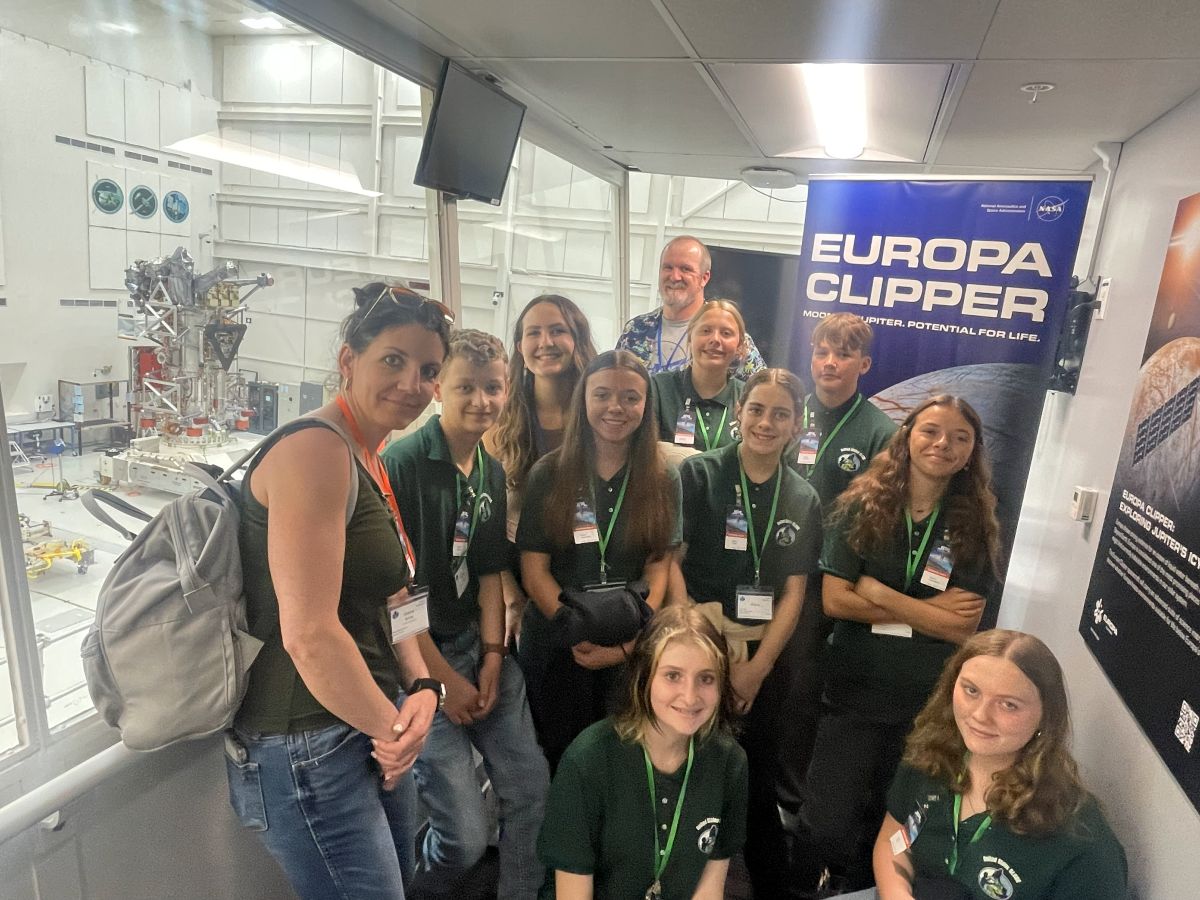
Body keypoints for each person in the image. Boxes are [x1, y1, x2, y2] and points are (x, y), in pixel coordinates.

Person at [226, 282, 451, 899]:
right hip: (308, 745)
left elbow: (393, 596)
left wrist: (424, 687)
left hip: (365, 724)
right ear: (348, 361)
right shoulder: (316, 452)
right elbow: (310, 635)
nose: (412, 384)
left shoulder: (367, 456)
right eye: (393, 361)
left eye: (428, 370)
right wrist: (396, 732)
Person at [791, 394, 1003, 895]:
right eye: (930, 431)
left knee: (892, 821)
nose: (942, 444)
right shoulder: (860, 505)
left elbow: (962, 627)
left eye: (959, 437)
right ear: (906, 437)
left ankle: (867, 891)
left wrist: (881, 592)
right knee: (826, 819)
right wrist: (930, 612)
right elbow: (837, 600)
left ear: (972, 452)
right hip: (853, 691)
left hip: (927, 703)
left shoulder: (977, 523)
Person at [382, 329, 549, 900]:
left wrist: (495, 657)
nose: (482, 401)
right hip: (418, 665)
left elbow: (486, 576)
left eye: (494, 388)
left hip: (477, 648)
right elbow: (395, 598)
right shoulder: (401, 466)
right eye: (467, 388)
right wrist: (440, 682)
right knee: (465, 836)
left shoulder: (491, 472)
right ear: (438, 390)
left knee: (531, 791)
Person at [676, 367, 823, 899]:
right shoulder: (697, 475)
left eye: (780, 413)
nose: (766, 422)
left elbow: (794, 594)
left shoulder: (803, 497)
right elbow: (671, 564)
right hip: (696, 639)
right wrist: (703, 652)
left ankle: (769, 885)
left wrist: (755, 671)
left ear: (796, 426)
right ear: (738, 412)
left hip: (766, 654)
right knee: (682, 760)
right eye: (756, 409)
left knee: (756, 772)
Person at [517, 349, 682, 771]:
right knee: (562, 761)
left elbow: (658, 566)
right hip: (560, 643)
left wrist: (628, 646)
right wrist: (572, 627)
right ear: (583, 400)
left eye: (630, 397)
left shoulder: (663, 477)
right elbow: (534, 570)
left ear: (646, 406)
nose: (616, 407)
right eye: (603, 394)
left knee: (623, 763)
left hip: (628, 644)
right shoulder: (548, 473)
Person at [874, 629, 1128, 900]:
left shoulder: (1079, 837)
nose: (980, 715)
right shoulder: (932, 756)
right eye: (971, 690)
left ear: (1046, 717)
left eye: (1008, 705)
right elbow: (894, 841)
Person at [537, 605, 749, 900]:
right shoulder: (588, 760)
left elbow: (709, 888)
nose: (690, 697)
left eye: (706, 678)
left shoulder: (729, 762)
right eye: (673, 676)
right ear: (643, 677)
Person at [778, 313, 899, 810]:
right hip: (771, 572)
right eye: (822, 351)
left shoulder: (881, 433)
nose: (830, 362)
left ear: (864, 364)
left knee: (801, 695)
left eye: (844, 353)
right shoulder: (787, 413)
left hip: (826, 587)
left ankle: (791, 802)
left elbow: (879, 523)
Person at [485, 294, 597, 645]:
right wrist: (510, 596)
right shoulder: (498, 424)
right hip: (522, 590)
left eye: (557, 330)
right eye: (534, 333)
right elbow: (486, 524)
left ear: (577, 339)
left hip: (591, 579)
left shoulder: (603, 416)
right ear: (519, 346)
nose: (545, 342)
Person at [617, 235, 765, 380]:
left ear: (704, 278)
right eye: (668, 267)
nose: (675, 277)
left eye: (685, 269)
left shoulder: (727, 337)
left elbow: (763, 392)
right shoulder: (635, 330)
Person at [651, 299, 747, 452]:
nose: (715, 339)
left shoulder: (747, 398)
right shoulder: (659, 388)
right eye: (706, 331)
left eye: (726, 333)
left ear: (739, 346)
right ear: (690, 337)